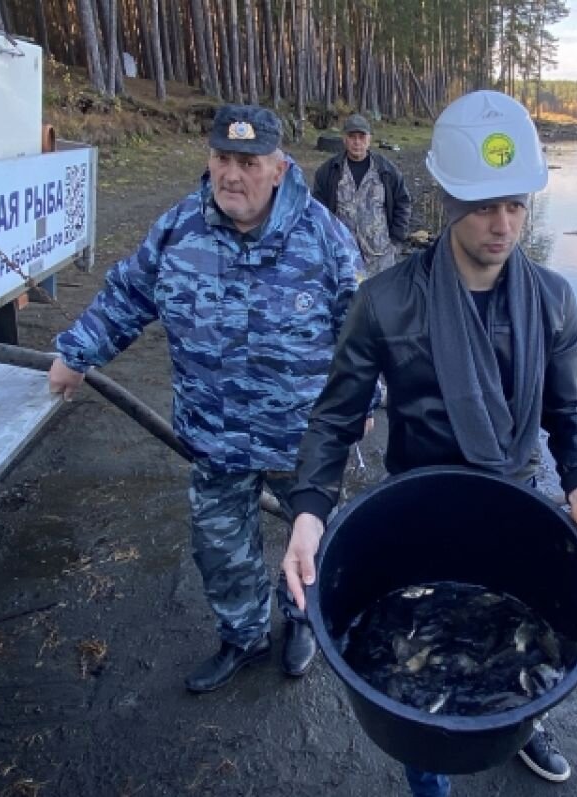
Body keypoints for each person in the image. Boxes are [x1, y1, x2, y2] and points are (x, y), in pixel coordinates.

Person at [282, 91, 577, 796]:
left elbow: (568, 412)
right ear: (448, 199)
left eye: (517, 205)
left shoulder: (553, 299)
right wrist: (309, 511)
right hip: (421, 509)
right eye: (485, 206)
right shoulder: (385, 301)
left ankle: (525, 720)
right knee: (419, 667)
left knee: (520, 640)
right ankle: (426, 761)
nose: (504, 225)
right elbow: (335, 417)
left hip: (515, 501)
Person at [47, 104, 364, 692]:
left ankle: (303, 620)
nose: (231, 175)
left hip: (302, 439)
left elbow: (364, 331)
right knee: (220, 547)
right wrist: (77, 353)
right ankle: (244, 635)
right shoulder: (178, 228)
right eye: (222, 158)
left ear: (279, 168)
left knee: (313, 537)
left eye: (248, 162)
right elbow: (127, 295)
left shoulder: (324, 237)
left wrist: (365, 403)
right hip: (214, 435)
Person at [312, 113, 412, 277]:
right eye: (352, 137)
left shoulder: (386, 171)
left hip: (381, 259)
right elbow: (317, 210)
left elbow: (403, 204)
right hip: (343, 257)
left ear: (369, 139)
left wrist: (396, 241)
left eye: (362, 137)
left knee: (381, 293)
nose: (357, 142)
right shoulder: (328, 172)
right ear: (344, 139)